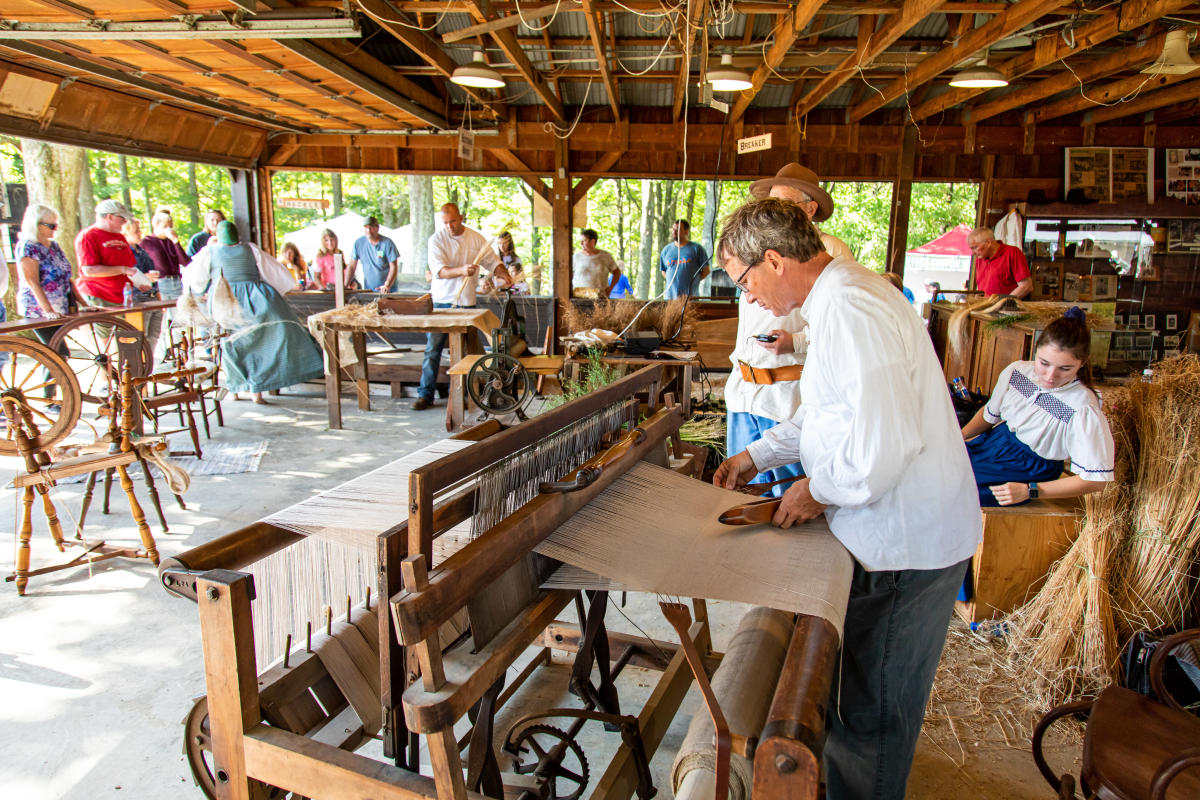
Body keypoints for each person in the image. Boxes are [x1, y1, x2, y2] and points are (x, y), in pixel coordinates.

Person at [713, 198, 980, 800]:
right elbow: (828, 417)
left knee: (872, 718)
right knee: (858, 693)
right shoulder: (835, 303)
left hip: (905, 545)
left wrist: (818, 491)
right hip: (888, 534)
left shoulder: (853, 307)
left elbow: (882, 445)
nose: (748, 298)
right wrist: (755, 456)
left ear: (775, 261)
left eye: (744, 281)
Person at [724, 163, 855, 494]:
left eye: (786, 206)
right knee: (739, 490)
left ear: (809, 210)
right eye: (771, 205)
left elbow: (839, 329)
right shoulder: (753, 254)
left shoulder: (831, 253)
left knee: (788, 497)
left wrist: (795, 341)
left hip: (788, 399)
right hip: (745, 392)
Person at [961, 307, 1114, 507]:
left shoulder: (1082, 407)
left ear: (1082, 363)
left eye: (1065, 368)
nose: (1051, 376)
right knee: (931, 468)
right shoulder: (1018, 372)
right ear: (1036, 349)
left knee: (952, 488)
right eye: (1044, 363)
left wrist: (1031, 490)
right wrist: (959, 438)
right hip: (995, 443)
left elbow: (1095, 480)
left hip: (1029, 468)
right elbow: (990, 415)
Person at [182, 222, 323, 404]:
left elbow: (194, 278)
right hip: (254, 299)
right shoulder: (249, 249)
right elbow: (273, 272)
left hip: (224, 301)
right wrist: (279, 289)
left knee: (231, 345)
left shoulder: (210, 252)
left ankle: (236, 389)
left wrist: (201, 291)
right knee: (262, 342)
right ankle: (257, 390)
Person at [414, 203, 501, 411]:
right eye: (445, 223)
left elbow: (492, 261)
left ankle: (466, 394)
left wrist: (503, 272)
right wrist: (462, 270)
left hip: (467, 302)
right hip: (442, 302)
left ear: (461, 217)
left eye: (453, 221)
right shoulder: (436, 240)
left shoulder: (475, 238)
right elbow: (440, 271)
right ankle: (425, 394)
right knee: (433, 350)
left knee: (467, 352)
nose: (449, 226)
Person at [15, 204, 75, 406]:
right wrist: (47, 310)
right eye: (50, 225)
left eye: (56, 225)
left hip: (60, 306)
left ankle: (52, 396)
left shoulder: (55, 246)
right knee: (57, 352)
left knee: (56, 351)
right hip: (38, 309)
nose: (54, 229)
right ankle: (49, 398)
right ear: (36, 224)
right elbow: (32, 281)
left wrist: (83, 303)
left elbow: (68, 278)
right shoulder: (28, 246)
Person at [75, 199, 142, 308]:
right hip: (98, 295)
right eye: (122, 218)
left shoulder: (120, 237)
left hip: (122, 296)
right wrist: (122, 269)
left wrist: (140, 281)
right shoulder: (88, 236)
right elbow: (89, 270)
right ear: (110, 217)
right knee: (105, 325)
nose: (125, 222)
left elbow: (129, 266)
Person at [122, 217, 165, 350]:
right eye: (136, 231)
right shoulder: (124, 253)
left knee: (153, 336)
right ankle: (140, 367)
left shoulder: (142, 251)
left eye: (139, 230)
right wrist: (144, 278)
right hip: (137, 298)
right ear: (126, 233)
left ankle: (148, 366)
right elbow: (126, 277)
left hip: (152, 298)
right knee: (140, 337)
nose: (140, 233)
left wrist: (158, 296)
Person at [968, 227, 1031, 298]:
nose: (973, 253)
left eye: (975, 248)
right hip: (986, 306)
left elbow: (1026, 286)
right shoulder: (980, 258)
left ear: (988, 243)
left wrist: (1003, 302)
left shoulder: (1012, 253)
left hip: (1007, 307)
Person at [658, 219, 710, 299]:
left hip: (690, 299)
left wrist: (693, 281)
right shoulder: (666, 250)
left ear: (686, 231)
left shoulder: (697, 249)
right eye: (673, 229)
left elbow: (706, 271)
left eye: (678, 229)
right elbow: (664, 271)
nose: (674, 232)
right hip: (670, 299)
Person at [349, 216, 399, 293]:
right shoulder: (359, 243)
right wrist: (345, 285)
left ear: (377, 228)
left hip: (388, 290)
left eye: (371, 227)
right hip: (369, 289)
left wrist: (387, 284)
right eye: (366, 227)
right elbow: (352, 266)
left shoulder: (387, 243)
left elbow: (394, 267)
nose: (368, 230)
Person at [571, 229, 620, 298]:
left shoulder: (605, 256)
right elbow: (567, 276)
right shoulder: (576, 257)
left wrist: (610, 288)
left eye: (584, 241)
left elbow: (617, 272)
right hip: (578, 298)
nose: (581, 243)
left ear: (592, 241)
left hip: (600, 298)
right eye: (580, 241)